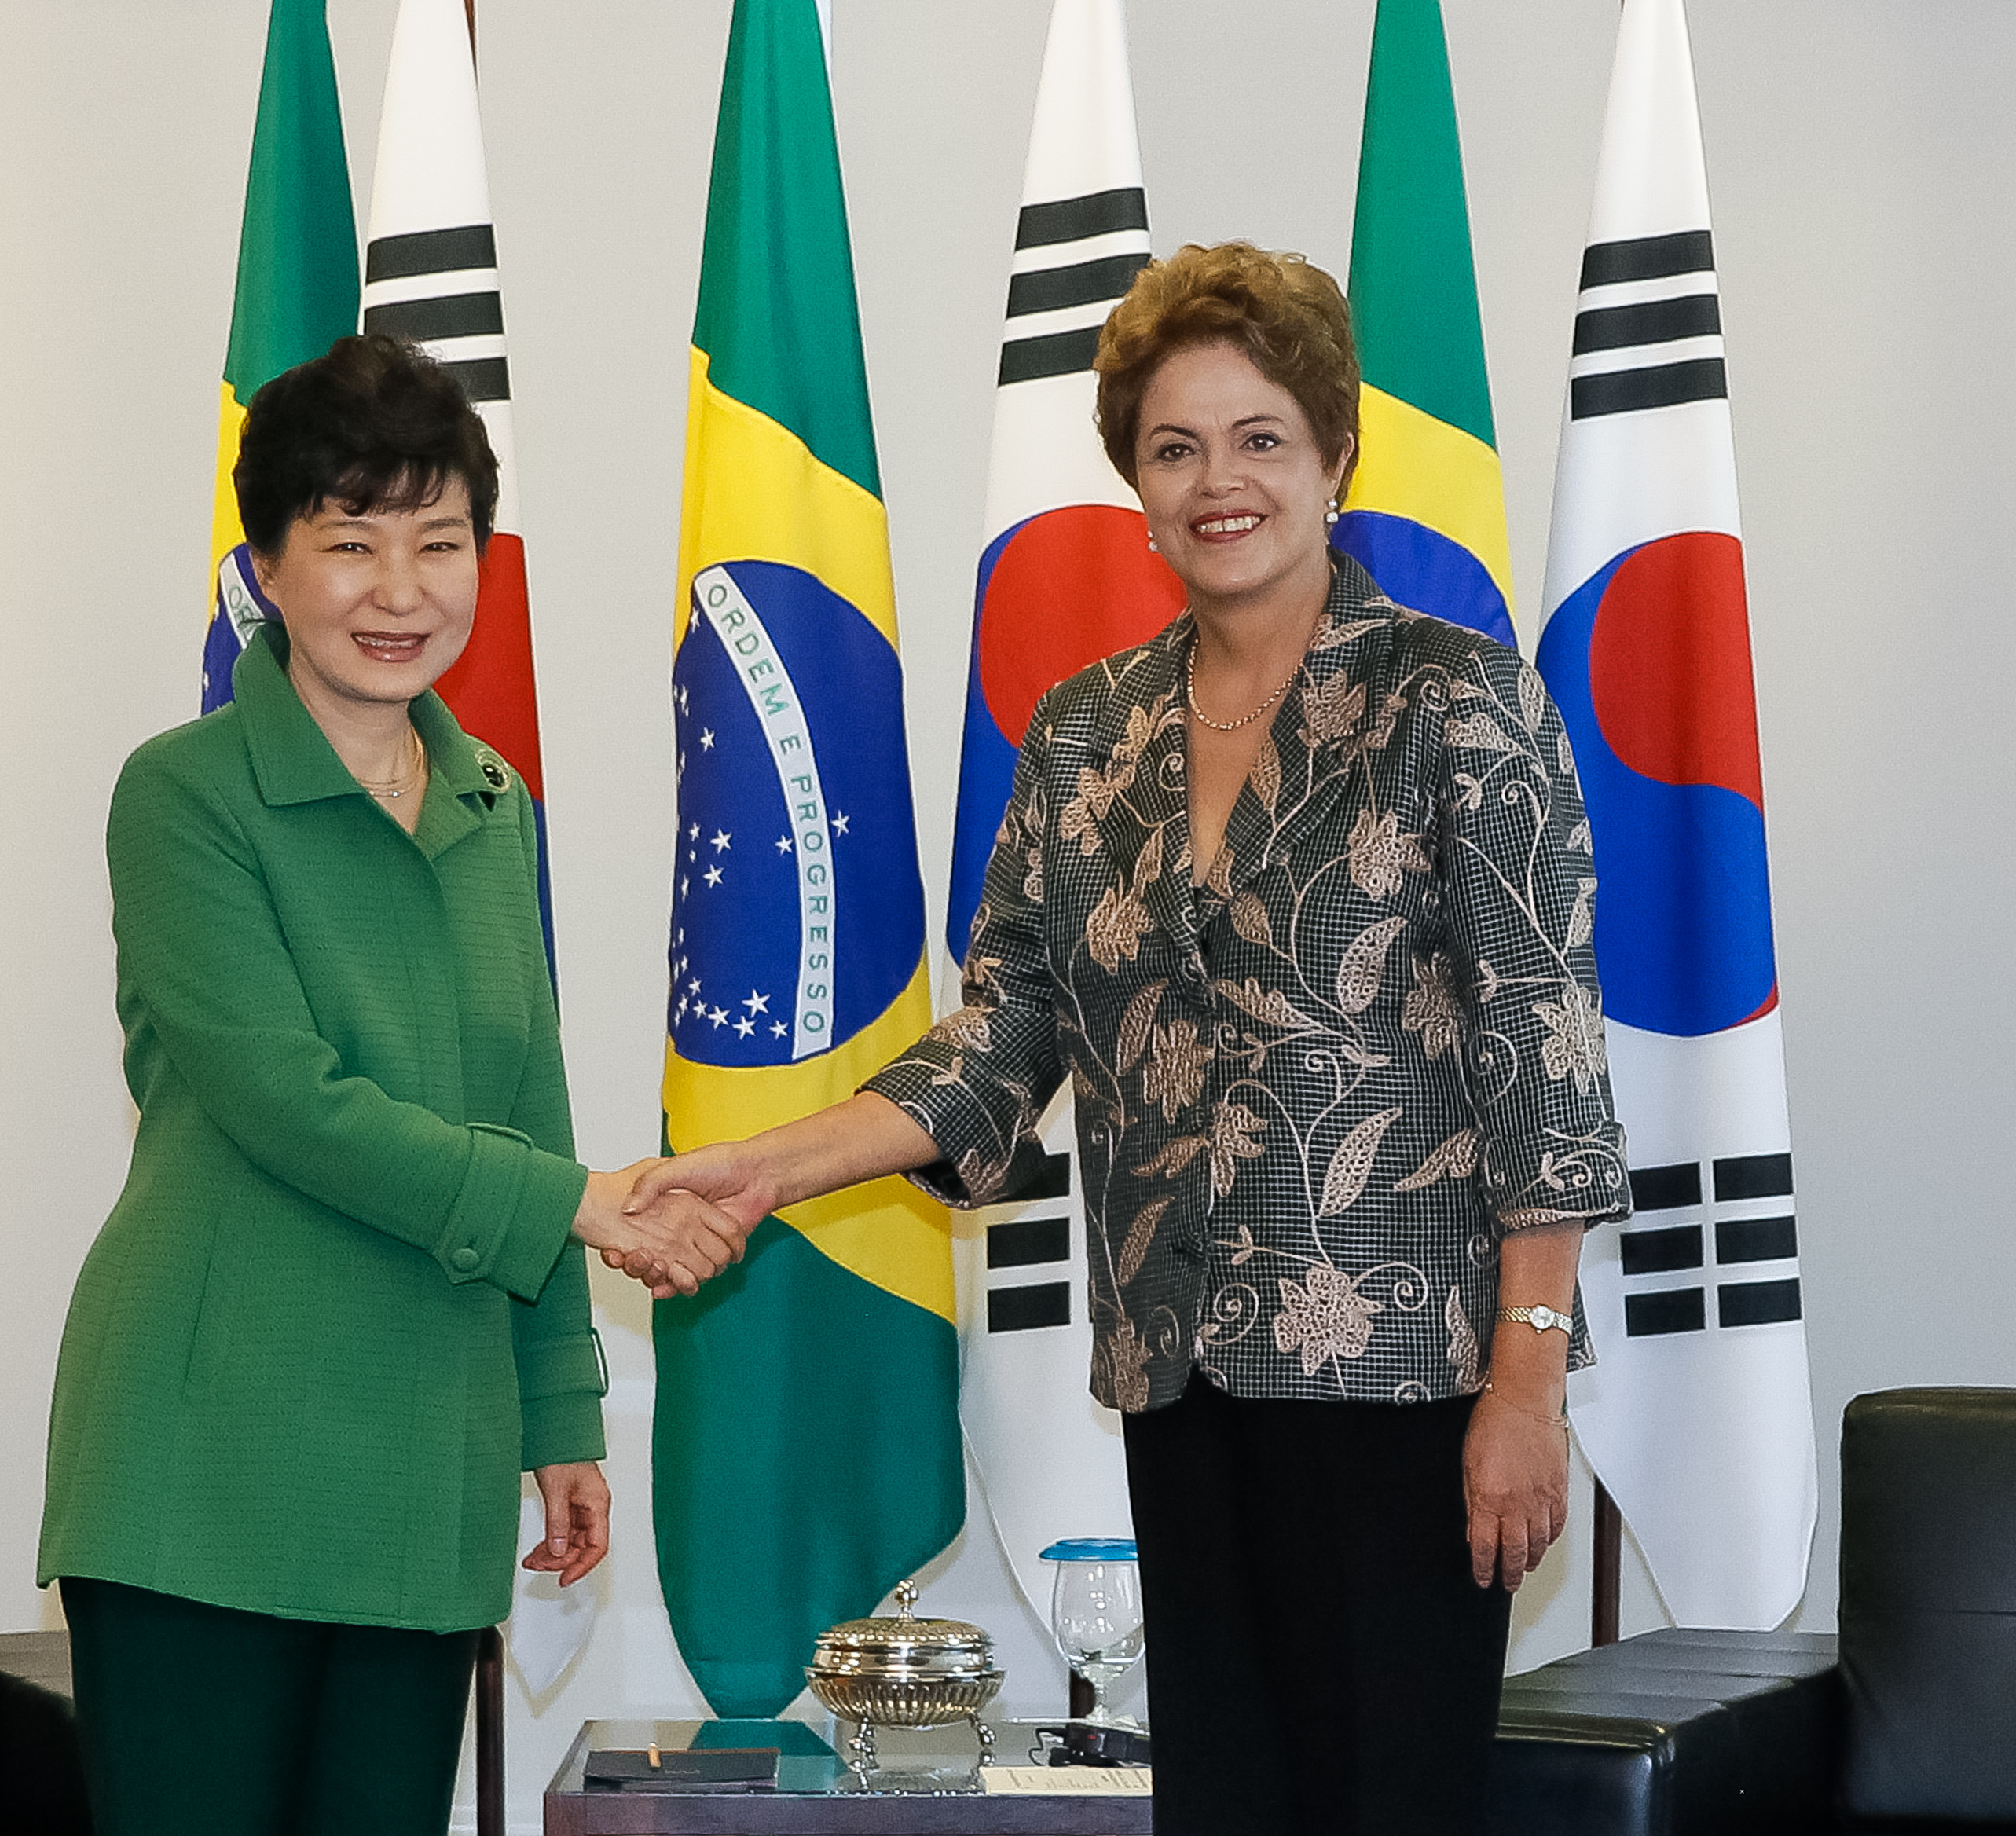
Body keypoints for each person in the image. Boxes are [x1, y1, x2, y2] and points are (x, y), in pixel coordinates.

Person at [627, 244, 1629, 1835]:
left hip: (1406, 1382)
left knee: (1388, 1806)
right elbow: (1002, 1033)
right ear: (1135, 485)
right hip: (1183, 1372)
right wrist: (759, 1165)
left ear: (1332, 455)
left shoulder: (1459, 698)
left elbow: (1542, 1049)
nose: (1218, 482)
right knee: (1225, 1803)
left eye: (1258, 439)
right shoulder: (1087, 728)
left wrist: (1528, 1376)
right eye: (1175, 448)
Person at [39, 334, 748, 1836]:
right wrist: (583, 1206)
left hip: (424, 1455)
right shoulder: (182, 793)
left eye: (439, 541)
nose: (401, 588)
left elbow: (528, 1103)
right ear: (271, 567)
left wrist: (561, 1411)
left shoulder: (493, 803)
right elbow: (289, 1099)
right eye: (350, 542)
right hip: (204, 1451)